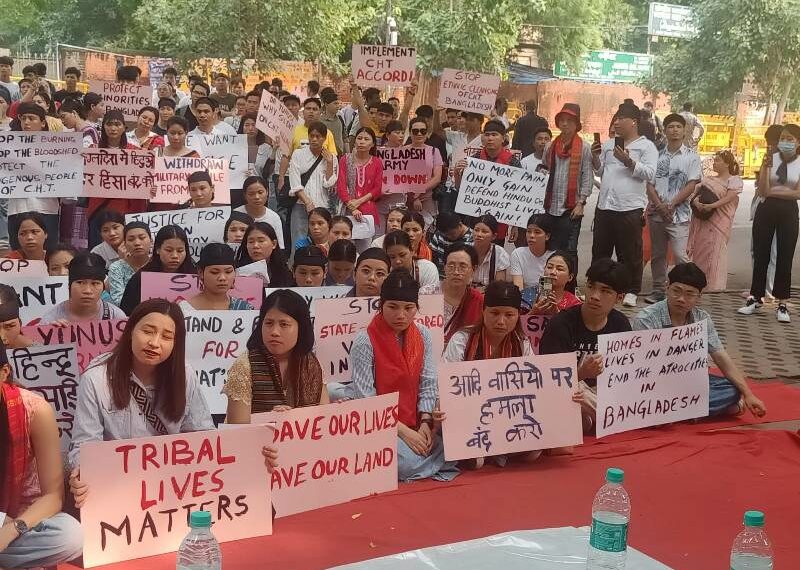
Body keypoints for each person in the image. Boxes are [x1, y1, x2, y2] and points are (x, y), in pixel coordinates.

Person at [68, 300, 277, 508]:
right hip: (117, 491)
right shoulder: (95, 380)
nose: (154, 343)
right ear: (131, 331)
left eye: (167, 336)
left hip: (173, 491)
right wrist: (81, 472)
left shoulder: (185, 376)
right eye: (148, 331)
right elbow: (84, 447)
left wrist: (253, 451)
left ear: (176, 343)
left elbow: (203, 438)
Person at [350, 270, 458, 481]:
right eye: (392, 307)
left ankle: (435, 459)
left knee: (458, 438)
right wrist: (405, 433)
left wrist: (426, 421)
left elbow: (428, 382)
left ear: (417, 308)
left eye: (409, 308)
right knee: (404, 464)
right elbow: (367, 402)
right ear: (381, 305)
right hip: (380, 425)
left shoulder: (423, 334)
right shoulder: (365, 341)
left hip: (416, 418)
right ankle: (441, 461)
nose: (401, 315)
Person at [633, 263, 767, 418]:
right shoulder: (646, 319)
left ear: (699, 296)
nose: (681, 299)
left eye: (690, 294)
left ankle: (675, 411)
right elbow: (641, 369)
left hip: (689, 383)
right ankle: (688, 410)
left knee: (732, 389)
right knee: (643, 395)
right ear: (667, 287)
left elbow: (720, 356)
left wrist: (748, 394)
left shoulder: (702, 318)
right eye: (676, 291)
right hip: (654, 383)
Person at [0, 338, 83, 569]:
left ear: (4, 372)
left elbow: (53, 497)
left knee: (70, 535)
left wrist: (11, 529)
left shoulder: (35, 411)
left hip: (22, 518)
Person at [539, 259, 633, 433]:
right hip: (568, 392)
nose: (595, 296)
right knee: (577, 394)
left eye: (605, 291)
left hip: (603, 392)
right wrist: (582, 373)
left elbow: (625, 374)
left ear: (619, 298)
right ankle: (602, 417)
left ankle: (597, 416)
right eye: (591, 287)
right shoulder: (561, 324)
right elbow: (548, 381)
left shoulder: (620, 324)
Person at [591, 102, 658, 307]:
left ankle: (630, 290)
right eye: (615, 119)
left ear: (633, 122)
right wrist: (595, 157)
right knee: (600, 250)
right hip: (605, 206)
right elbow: (600, 172)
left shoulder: (647, 147)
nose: (616, 123)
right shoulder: (610, 144)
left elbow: (650, 174)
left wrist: (629, 161)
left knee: (629, 253)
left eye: (620, 119)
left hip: (629, 207)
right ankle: (597, 287)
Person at [224, 289, 328, 422]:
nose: (274, 332)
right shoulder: (244, 367)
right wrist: (269, 420)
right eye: (268, 323)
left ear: (301, 328)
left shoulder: (313, 364)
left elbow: (324, 420)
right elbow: (237, 431)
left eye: (284, 324)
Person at [739, 125, 800, 323]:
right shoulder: (769, 160)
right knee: (761, 253)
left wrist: (776, 191)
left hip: (789, 212)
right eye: (783, 138)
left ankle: (782, 303)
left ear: (798, 142)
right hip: (766, 210)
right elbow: (763, 190)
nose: (785, 142)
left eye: (790, 139)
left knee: (785, 256)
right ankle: (755, 297)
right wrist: (777, 188)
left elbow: (797, 193)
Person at [645, 113, 701, 303]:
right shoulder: (657, 156)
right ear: (664, 130)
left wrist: (671, 204)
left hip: (680, 215)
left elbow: (691, 184)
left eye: (678, 126)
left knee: (679, 255)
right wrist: (659, 205)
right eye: (671, 127)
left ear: (684, 130)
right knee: (658, 255)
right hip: (656, 214)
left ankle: (685, 290)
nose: (675, 130)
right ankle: (659, 290)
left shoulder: (692, 156)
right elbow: (649, 185)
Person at [540, 104, 594, 262]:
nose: (565, 124)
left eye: (569, 120)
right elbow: (544, 168)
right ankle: (548, 287)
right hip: (549, 206)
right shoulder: (550, 146)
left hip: (571, 209)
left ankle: (571, 286)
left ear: (576, 124)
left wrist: (581, 202)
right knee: (549, 249)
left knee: (569, 251)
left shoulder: (584, 148)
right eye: (562, 120)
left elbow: (587, 176)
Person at [87, 110, 148, 248]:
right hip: (98, 210)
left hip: (125, 210)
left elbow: (142, 182)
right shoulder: (93, 150)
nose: (113, 128)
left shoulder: (136, 153)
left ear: (124, 127)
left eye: (117, 124)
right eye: (109, 124)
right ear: (103, 127)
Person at [684, 150, 741, 295]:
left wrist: (711, 206)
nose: (714, 163)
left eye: (718, 160)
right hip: (702, 223)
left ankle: (714, 287)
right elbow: (695, 195)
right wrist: (696, 202)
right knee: (700, 253)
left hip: (719, 225)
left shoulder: (734, 180)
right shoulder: (708, 180)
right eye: (714, 160)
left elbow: (729, 198)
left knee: (715, 254)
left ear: (727, 163)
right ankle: (699, 285)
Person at [8, 103, 60, 251]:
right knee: (19, 257)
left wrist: (74, 161)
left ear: (43, 123)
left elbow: (68, 189)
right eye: (23, 118)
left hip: (46, 210)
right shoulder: (7, 147)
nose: (26, 122)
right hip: (16, 210)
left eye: (31, 118)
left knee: (48, 255)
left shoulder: (59, 149)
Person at [119, 225, 197, 315]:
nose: (175, 256)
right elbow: (126, 314)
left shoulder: (195, 279)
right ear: (157, 249)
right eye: (168, 250)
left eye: (180, 251)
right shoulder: (140, 279)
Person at [288, 122, 339, 248]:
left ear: (325, 138)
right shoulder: (298, 154)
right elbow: (295, 183)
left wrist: (329, 163)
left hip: (323, 206)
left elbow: (329, 184)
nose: (314, 139)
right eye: (312, 136)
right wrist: (307, 202)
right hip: (301, 205)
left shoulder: (331, 157)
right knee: (299, 241)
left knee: (322, 241)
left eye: (318, 136)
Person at [40, 252, 126, 325]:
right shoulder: (51, 319)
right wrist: (51, 335)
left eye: (95, 283)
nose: (87, 291)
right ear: (69, 285)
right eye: (80, 282)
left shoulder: (116, 318)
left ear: (103, 287)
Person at [181, 243, 255, 311]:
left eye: (228, 272)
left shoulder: (245, 309)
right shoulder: (184, 309)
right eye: (215, 272)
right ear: (201, 273)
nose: (222, 278)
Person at [337, 127, 383, 233]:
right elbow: (341, 186)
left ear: (372, 144)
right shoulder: (345, 159)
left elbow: (377, 189)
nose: (362, 142)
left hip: (368, 210)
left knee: (367, 247)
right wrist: (352, 207)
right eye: (359, 138)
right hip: (348, 210)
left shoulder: (377, 162)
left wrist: (358, 202)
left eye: (366, 139)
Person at [442, 244, 484, 344]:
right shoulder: (427, 295)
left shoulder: (479, 301)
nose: (456, 272)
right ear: (444, 268)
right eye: (451, 266)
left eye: (462, 267)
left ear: (474, 269)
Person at [406, 118, 445, 222]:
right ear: (410, 133)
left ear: (427, 133)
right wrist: (413, 197)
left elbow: (437, 178)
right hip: (406, 199)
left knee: (428, 231)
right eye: (415, 131)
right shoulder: (402, 151)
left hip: (428, 198)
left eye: (423, 131)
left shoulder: (434, 151)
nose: (419, 134)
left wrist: (419, 191)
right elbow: (399, 177)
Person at [235, 222, 294, 287]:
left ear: (274, 244)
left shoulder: (285, 273)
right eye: (251, 242)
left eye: (261, 241)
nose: (255, 246)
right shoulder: (237, 271)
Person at [108, 222, 152, 306]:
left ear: (151, 241)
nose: (137, 243)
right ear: (124, 244)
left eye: (142, 238)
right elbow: (118, 301)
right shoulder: (116, 268)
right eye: (131, 239)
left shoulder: (158, 265)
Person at [383, 230, 440, 294]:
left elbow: (432, 301)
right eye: (392, 257)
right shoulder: (384, 274)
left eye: (402, 255)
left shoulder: (428, 269)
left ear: (412, 251)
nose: (397, 261)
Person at [235, 176, 285, 249]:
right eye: (251, 194)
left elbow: (280, 246)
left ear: (267, 192)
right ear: (245, 195)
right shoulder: (236, 215)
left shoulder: (274, 217)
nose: (257, 197)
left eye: (260, 192)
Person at [510, 214, 555, 291]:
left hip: (548, 296)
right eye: (529, 231)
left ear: (547, 236)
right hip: (525, 298)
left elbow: (547, 291)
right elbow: (518, 288)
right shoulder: (518, 254)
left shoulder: (554, 256)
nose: (531, 235)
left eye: (537, 232)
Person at [530, 250, 582, 316]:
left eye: (559, 269)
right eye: (549, 267)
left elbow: (576, 326)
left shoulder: (574, 305)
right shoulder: (528, 295)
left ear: (570, 277)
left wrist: (557, 315)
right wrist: (532, 313)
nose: (553, 272)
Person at [429, 212, 473, 278]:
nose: (449, 236)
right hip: (438, 276)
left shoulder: (472, 238)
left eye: (452, 234)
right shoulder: (439, 234)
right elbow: (431, 256)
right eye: (446, 235)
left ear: (460, 225)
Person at [471, 214, 509, 289]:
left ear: (494, 236)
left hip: (490, 296)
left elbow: (499, 287)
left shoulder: (500, 254)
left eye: (484, 232)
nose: (479, 234)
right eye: (476, 230)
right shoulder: (464, 250)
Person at [320, 88, 345, 155]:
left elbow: (345, 138)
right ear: (326, 104)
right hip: (324, 154)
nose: (338, 106)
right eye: (335, 104)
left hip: (339, 155)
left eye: (338, 104)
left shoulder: (340, 119)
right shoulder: (319, 121)